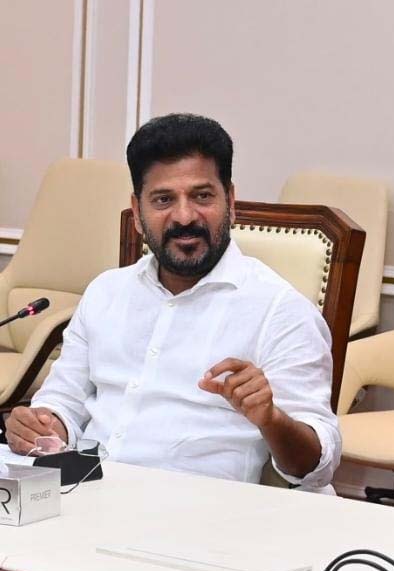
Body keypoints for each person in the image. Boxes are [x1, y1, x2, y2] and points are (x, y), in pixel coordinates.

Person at [4, 113, 341, 490]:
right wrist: (40, 424)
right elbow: (63, 402)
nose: (184, 216)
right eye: (163, 199)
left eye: (202, 196)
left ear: (230, 201)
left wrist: (272, 419)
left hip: (200, 509)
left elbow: (318, 468)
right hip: (85, 491)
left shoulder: (281, 311)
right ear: (137, 212)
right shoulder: (105, 292)